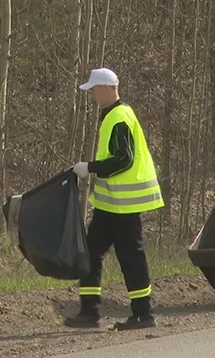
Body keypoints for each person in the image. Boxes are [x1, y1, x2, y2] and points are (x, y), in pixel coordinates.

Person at [64, 67, 164, 331]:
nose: (93, 95)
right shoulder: (113, 115)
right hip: (109, 204)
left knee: (130, 257)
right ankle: (89, 312)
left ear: (108, 89)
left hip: (124, 204)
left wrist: (91, 167)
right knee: (90, 252)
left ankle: (143, 314)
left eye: (95, 90)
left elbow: (124, 159)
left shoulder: (119, 116)